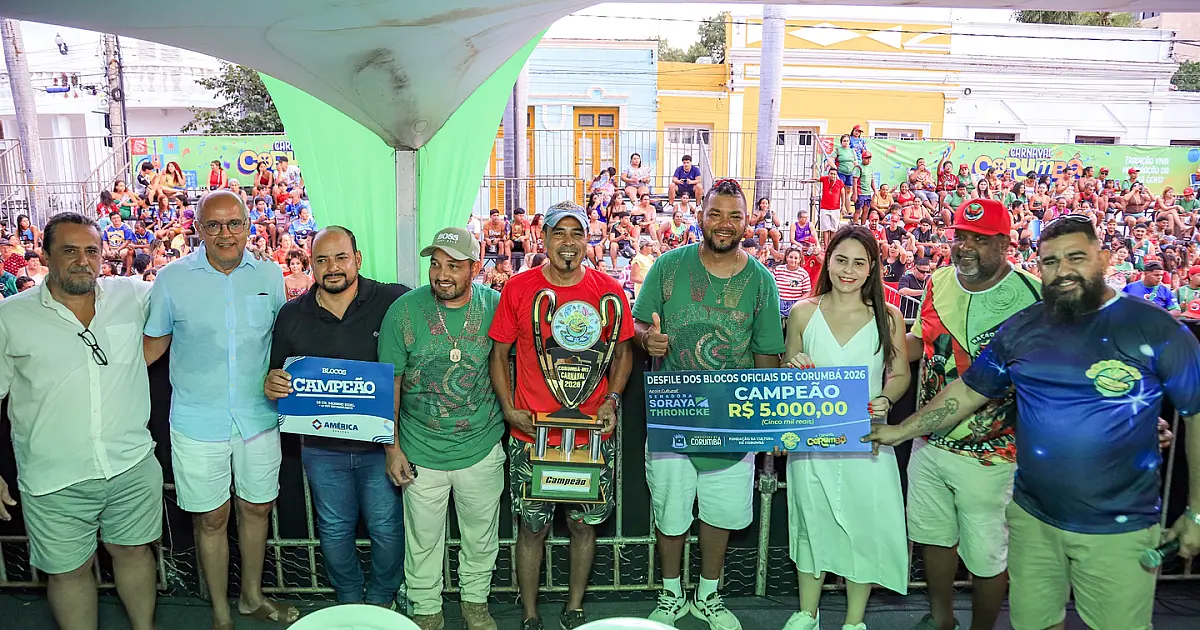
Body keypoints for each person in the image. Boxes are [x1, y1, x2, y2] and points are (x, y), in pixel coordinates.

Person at [866, 214, 1200, 630]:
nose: (1063, 271)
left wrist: (1197, 512)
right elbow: (970, 391)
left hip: (1117, 525)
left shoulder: (1154, 326)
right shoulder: (1023, 326)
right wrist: (900, 429)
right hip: (1033, 518)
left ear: (1105, 257)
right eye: (1051, 261)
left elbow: (1194, 413)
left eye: (1076, 257)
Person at [634, 179, 785, 630]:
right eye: (715, 213)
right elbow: (640, 326)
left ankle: (708, 595)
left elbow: (766, 358)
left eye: (734, 215)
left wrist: (768, 423)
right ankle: (671, 593)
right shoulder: (667, 266)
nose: (724, 223)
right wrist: (650, 340)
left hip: (732, 417)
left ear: (748, 221)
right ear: (700, 215)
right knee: (671, 507)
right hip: (673, 413)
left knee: (720, 511)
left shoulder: (760, 279)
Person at [143, 190, 298, 629]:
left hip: (260, 418)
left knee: (257, 509)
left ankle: (250, 597)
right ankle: (219, 612)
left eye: (234, 224)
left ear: (250, 226)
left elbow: (283, 344)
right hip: (196, 421)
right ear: (198, 230)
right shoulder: (172, 279)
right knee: (211, 518)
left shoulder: (269, 275)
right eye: (213, 225)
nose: (225, 233)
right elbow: (152, 345)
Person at [0, 212, 162, 630]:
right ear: (46, 255)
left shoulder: (132, 294)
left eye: (91, 250)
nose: (82, 260)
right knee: (69, 573)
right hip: (54, 478)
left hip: (130, 464)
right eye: (69, 250)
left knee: (135, 553)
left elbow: (185, 298)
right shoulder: (10, 317)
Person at [488, 201, 634, 630]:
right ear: (544, 238)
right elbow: (499, 354)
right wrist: (509, 408)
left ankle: (574, 607)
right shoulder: (518, 288)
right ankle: (530, 614)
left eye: (576, 234)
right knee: (532, 528)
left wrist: (613, 399)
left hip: (589, 435)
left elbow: (623, 352)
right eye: (558, 233)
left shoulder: (609, 290)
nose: (568, 243)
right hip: (533, 434)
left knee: (583, 525)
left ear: (587, 240)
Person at [902, 198, 1041, 630]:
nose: (964, 246)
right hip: (930, 443)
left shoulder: (1033, 293)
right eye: (960, 235)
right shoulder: (938, 281)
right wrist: (868, 349)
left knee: (986, 555)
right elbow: (918, 342)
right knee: (933, 539)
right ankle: (941, 620)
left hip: (993, 455)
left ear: (1004, 243)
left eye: (978, 239)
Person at [263, 226, 410, 610]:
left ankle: (381, 598)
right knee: (333, 528)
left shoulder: (393, 300)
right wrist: (273, 383)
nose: (332, 267)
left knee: (385, 528)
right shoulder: (293, 314)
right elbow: (276, 373)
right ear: (310, 264)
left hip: (381, 446)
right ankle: (347, 596)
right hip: (320, 449)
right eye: (322, 259)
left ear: (357, 259)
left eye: (340, 257)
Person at [780, 226, 910, 630]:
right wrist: (793, 367)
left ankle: (854, 622)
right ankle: (807, 614)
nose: (848, 270)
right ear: (828, 261)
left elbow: (900, 373)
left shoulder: (887, 317)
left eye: (858, 262)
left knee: (862, 527)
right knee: (811, 523)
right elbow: (787, 373)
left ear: (872, 267)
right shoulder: (803, 312)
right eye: (841, 260)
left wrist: (885, 400)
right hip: (812, 443)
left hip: (866, 441)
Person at [377, 227, 504, 630]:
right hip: (420, 450)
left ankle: (475, 604)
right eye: (435, 264)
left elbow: (515, 367)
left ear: (475, 267)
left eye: (454, 265)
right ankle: (426, 609)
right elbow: (389, 382)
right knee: (422, 541)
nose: (442, 274)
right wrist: (391, 448)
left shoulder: (496, 307)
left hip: (481, 445)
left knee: (481, 537)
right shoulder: (403, 310)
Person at [773, 247, 811, 319]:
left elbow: (807, 292)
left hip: (794, 304)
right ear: (787, 258)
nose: (793, 260)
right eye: (791, 257)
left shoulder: (803, 273)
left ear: (800, 260)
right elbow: (771, 285)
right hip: (777, 302)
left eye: (796, 258)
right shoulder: (778, 269)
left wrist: (798, 302)